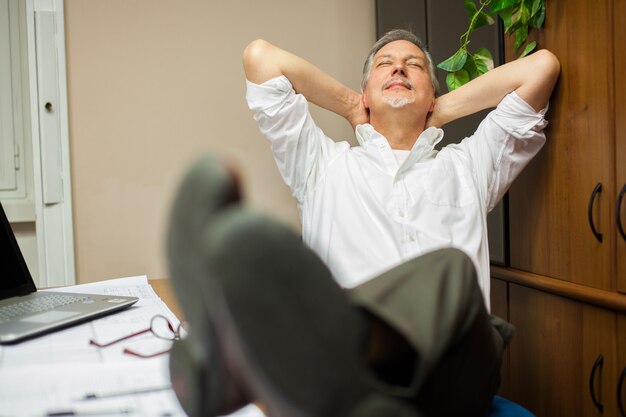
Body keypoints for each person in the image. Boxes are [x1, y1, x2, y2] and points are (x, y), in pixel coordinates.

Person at [242, 29, 560, 309]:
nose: (398, 68)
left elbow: (541, 68)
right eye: (385, 63)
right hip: (354, 370)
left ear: (432, 95)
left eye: (414, 65)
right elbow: (261, 59)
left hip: (450, 370)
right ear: (365, 92)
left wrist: (441, 108)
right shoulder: (321, 166)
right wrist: (352, 105)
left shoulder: (470, 166)